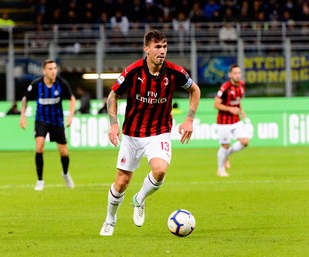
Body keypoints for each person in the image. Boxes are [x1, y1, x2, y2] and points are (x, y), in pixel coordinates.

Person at [100, 30, 201, 236]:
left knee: (160, 170)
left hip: (159, 132)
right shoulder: (133, 71)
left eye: (164, 46)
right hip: (132, 134)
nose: (162, 51)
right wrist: (113, 124)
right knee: (121, 182)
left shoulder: (174, 72)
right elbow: (112, 96)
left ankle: (139, 199)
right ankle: (110, 220)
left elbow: (195, 90)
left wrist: (189, 119)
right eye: (157, 46)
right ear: (146, 48)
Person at [20, 59, 76, 191]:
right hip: (41, 121)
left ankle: (65, 173)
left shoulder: (62, 83)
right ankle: (40, 181)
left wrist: (71, 115)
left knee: (63, 152)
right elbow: (25, 98)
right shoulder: (36, 84)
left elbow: (72, 98)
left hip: (57, 121)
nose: (53, 71)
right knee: (39, 147)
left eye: (55, 68)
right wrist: (22, 116)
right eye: (50, 69)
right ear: (44, 71)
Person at [214, 64, 249, 177]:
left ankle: (226, 155)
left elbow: (237, 101)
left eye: (239, 73)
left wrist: (241, 111)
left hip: (235, 120)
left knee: (245, 141)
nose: (237, 75)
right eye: (235, 73)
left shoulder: (242, 86)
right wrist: (230, 109)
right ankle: (220, 170)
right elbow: (216, 104)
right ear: (230, 75)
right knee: (225, 145)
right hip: (223, 121)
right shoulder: (225, 88)